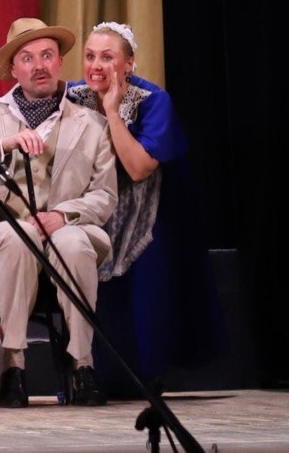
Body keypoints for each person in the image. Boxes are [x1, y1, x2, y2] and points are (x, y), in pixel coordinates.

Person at [0, 18, 117, 408]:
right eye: (27, 58)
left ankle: (82, 365)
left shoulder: (91, 124)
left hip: (67, 229)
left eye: (47, 55)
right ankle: (13, 366)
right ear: (13, 69)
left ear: (59, 62)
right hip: (5, 233)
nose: (39, 65)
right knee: (14, 237)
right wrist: (2, 145)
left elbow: (105, 196)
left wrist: (63, 215)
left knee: (73, 244)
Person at [67, 21, 223, 394]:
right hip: (95, 208)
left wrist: (112, 112)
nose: (96, 66)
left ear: (129, 64)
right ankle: (91, 375)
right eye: (90, 56)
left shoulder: (153, 100)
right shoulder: (71, 96)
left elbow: (138, 168)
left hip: (146, 213)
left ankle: (144, 376)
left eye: (108, 57)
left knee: (146, 294)